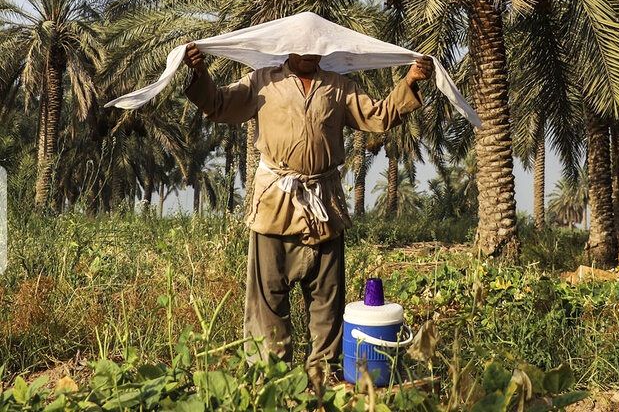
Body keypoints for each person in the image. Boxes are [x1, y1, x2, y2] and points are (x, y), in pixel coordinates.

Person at [181, 42, 432, 385]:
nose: (309, 54)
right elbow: (218, 104)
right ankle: (271, 379)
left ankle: (322, 378)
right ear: (286, 47)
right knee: (268, 301)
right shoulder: (261, 82)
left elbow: (378, 116)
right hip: (275, 207)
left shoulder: (338, 87)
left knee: (327, 302)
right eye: (301, 47)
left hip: (324, 206)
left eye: (316, 47)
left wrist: (411, 81)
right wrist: (199, 73)